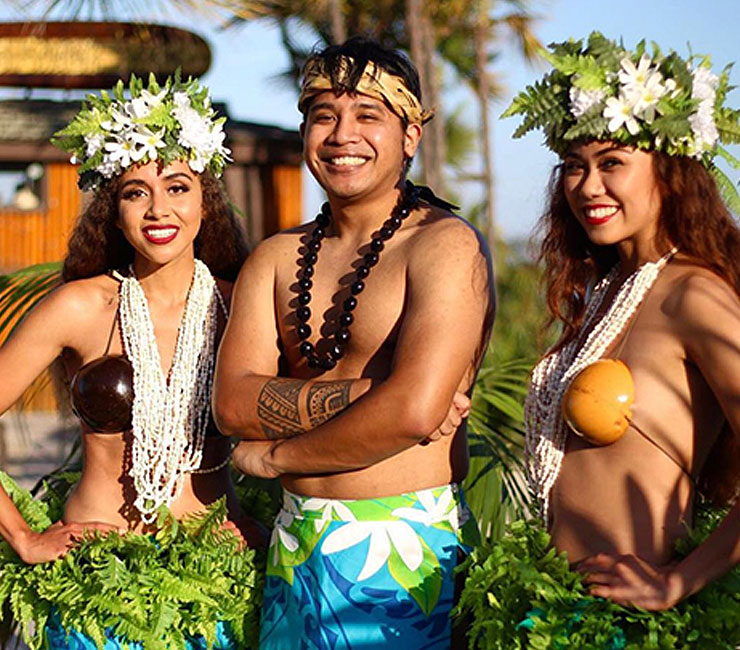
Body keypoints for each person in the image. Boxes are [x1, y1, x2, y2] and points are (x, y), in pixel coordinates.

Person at [213, 37, 494, 649]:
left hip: (406, 545)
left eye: (368, 115)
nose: (343, 135)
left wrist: (277, 457)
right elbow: (232, 404)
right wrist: (378, 394)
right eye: (324, 116)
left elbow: (416, 411)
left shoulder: (444, 247)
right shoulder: (276, 257)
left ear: (410, 135)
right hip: (297, 546)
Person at [460, 31, 740, 647]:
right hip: (547, 610)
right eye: (574, 166)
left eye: (611, 163)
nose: (587, 186)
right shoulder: (611, 290)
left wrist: (681, 580)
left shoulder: (694, 294)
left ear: (671, 171)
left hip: (629, 626)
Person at [0, 73, 263, 649]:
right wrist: (22, 537)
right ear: (113, 210)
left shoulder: (240, 303)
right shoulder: (80, 307)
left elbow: (308, 396)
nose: (157, 209)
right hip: (97, 584)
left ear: (206, 200)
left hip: (215, 582)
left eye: (177, 187)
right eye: (135, 191)